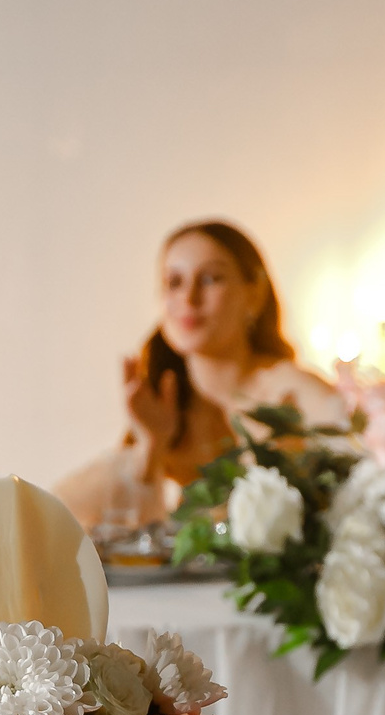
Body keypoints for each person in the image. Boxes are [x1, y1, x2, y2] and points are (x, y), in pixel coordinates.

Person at [56, 220, 344, 530]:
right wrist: (151, 447)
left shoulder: (289, 390)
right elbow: (58, 516)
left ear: (254, 293)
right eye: (174, 282)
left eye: (210, 279)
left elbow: (362, 451)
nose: (189, 298)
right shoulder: (162, 406)